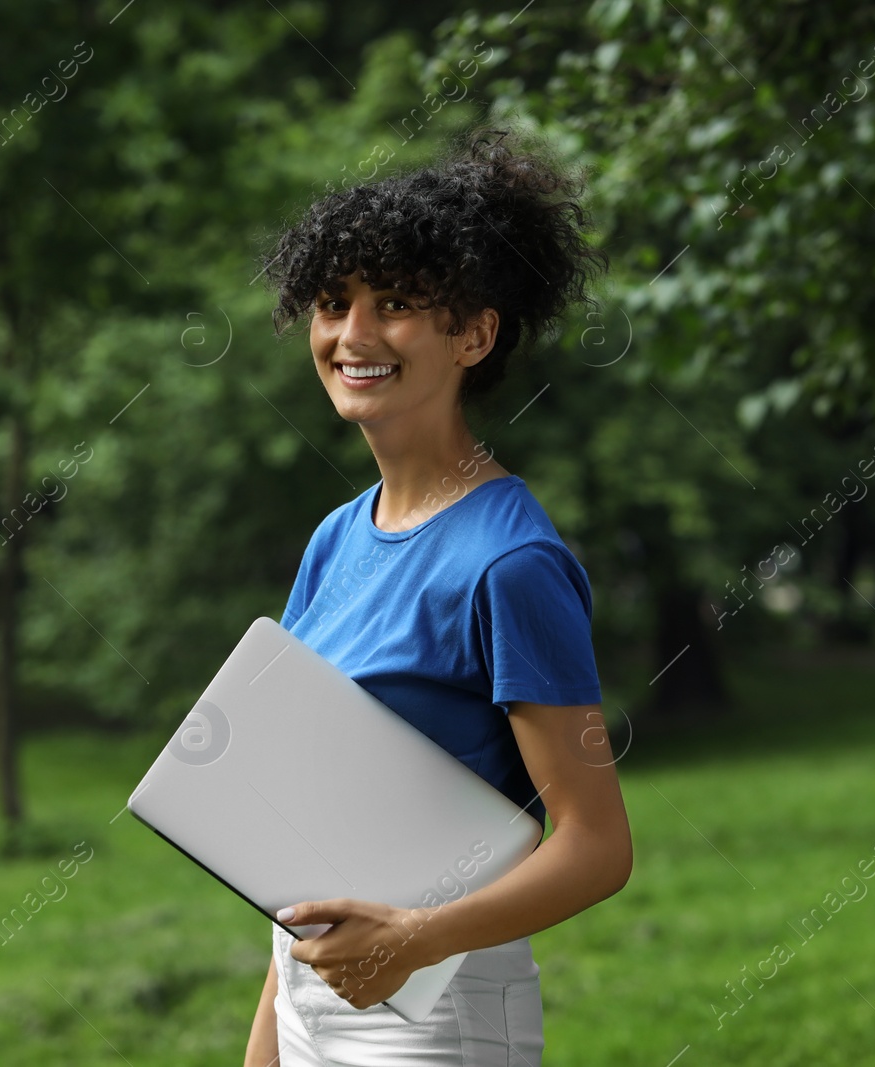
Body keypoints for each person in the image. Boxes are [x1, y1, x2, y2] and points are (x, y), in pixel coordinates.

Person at [242, 128, 632, 1067]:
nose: (353, 335)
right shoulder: (336, 539)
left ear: (474, 333)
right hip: (310, 986)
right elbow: (309, 838)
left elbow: (595, 844)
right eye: (333, 303)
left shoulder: (512, 561)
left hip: (434, 1018)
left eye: (397, 305)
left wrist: (414, 939)